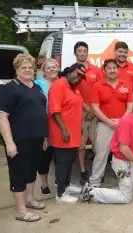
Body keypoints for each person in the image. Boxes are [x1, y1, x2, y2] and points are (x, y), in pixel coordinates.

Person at [0, 53, 48, 222]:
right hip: (19, 139)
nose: (27, 70)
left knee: (31, 170)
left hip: (37, 138)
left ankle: (30, 199)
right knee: (18, 173)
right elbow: (2, 116)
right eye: (23, 67)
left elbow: (41, 112)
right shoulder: (10, 88)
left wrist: (44, 136)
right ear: (16, 69)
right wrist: (9, 143)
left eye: (30, 67)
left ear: (34, 69)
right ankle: (21, 210)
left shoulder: (36, 87)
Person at [79, 98, 133, 203]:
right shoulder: (127, 122)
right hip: (123, 160)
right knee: (126, 197)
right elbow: (124, 149)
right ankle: (91, 192)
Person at [89, 58, 133, 187]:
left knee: (126, 153)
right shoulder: (98, 86)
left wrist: (122, 121)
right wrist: (109, 122)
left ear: (118, 69)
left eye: (114, 68)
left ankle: (128, 179)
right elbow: (95, 107)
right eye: (109, 68)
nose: (112, 70)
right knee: (101, 154)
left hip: (124, 125)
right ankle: (95, 182)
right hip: (105, 125)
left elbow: (130, 104)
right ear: (104, 70)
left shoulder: (126, 84)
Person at [48, 63, 86, 204]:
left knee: (69, 161)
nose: (79, 78)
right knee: (62, 163)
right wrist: (64, 129)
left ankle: (67, 185)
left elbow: (79, 105)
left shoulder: (74, 88)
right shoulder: (58, 85)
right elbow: (55, 111)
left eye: (82, 77)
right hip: (63, 134)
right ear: (69, 72)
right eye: (77, 74)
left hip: (73, 133)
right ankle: (60, 194)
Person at [75, 41, 102, 185]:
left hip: (95, 113)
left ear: (87, 53)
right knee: (81, 144)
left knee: (98, 144)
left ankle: (98, 170)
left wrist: (93, 111)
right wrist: (86, 109)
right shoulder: (73, 71)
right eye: (79, 51)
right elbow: (74, 93)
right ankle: (83, 171)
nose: (82, 53)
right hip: (79, 113)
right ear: (75, 53)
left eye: (84, 51)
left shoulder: (96, 70)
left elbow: (100, 91)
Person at [35, 58, 60, 195]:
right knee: (45, 155)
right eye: (48, 67)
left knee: (60, 155)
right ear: (43, 71)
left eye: (54, 66)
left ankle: (59, 178)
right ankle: (44, 184)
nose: (52, 69)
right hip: (45, 124)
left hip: (60, 124)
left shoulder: (63, 82)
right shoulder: (38, 84)